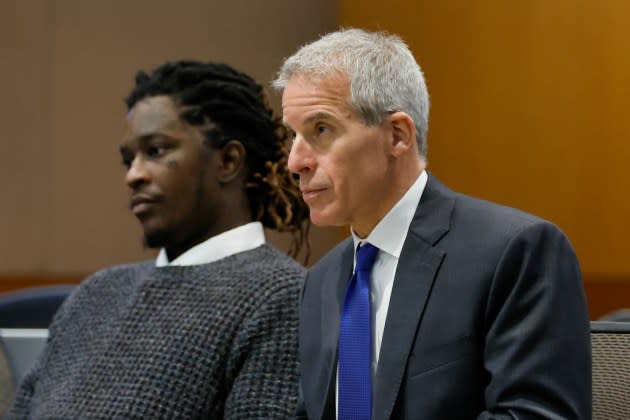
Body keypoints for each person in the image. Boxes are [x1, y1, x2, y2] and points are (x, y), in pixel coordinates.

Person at [273, 28, 591, 419]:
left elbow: (536, 414)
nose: (295, 162)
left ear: (397, 135)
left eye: (320, 130)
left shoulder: (515, 251)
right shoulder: (320, 280)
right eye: (294, 136)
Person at [8, 60, 309, 419]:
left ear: (228, 161)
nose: (133, 175)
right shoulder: (96, 293)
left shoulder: (282, 297)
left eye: (156, 151)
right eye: (128, 159)